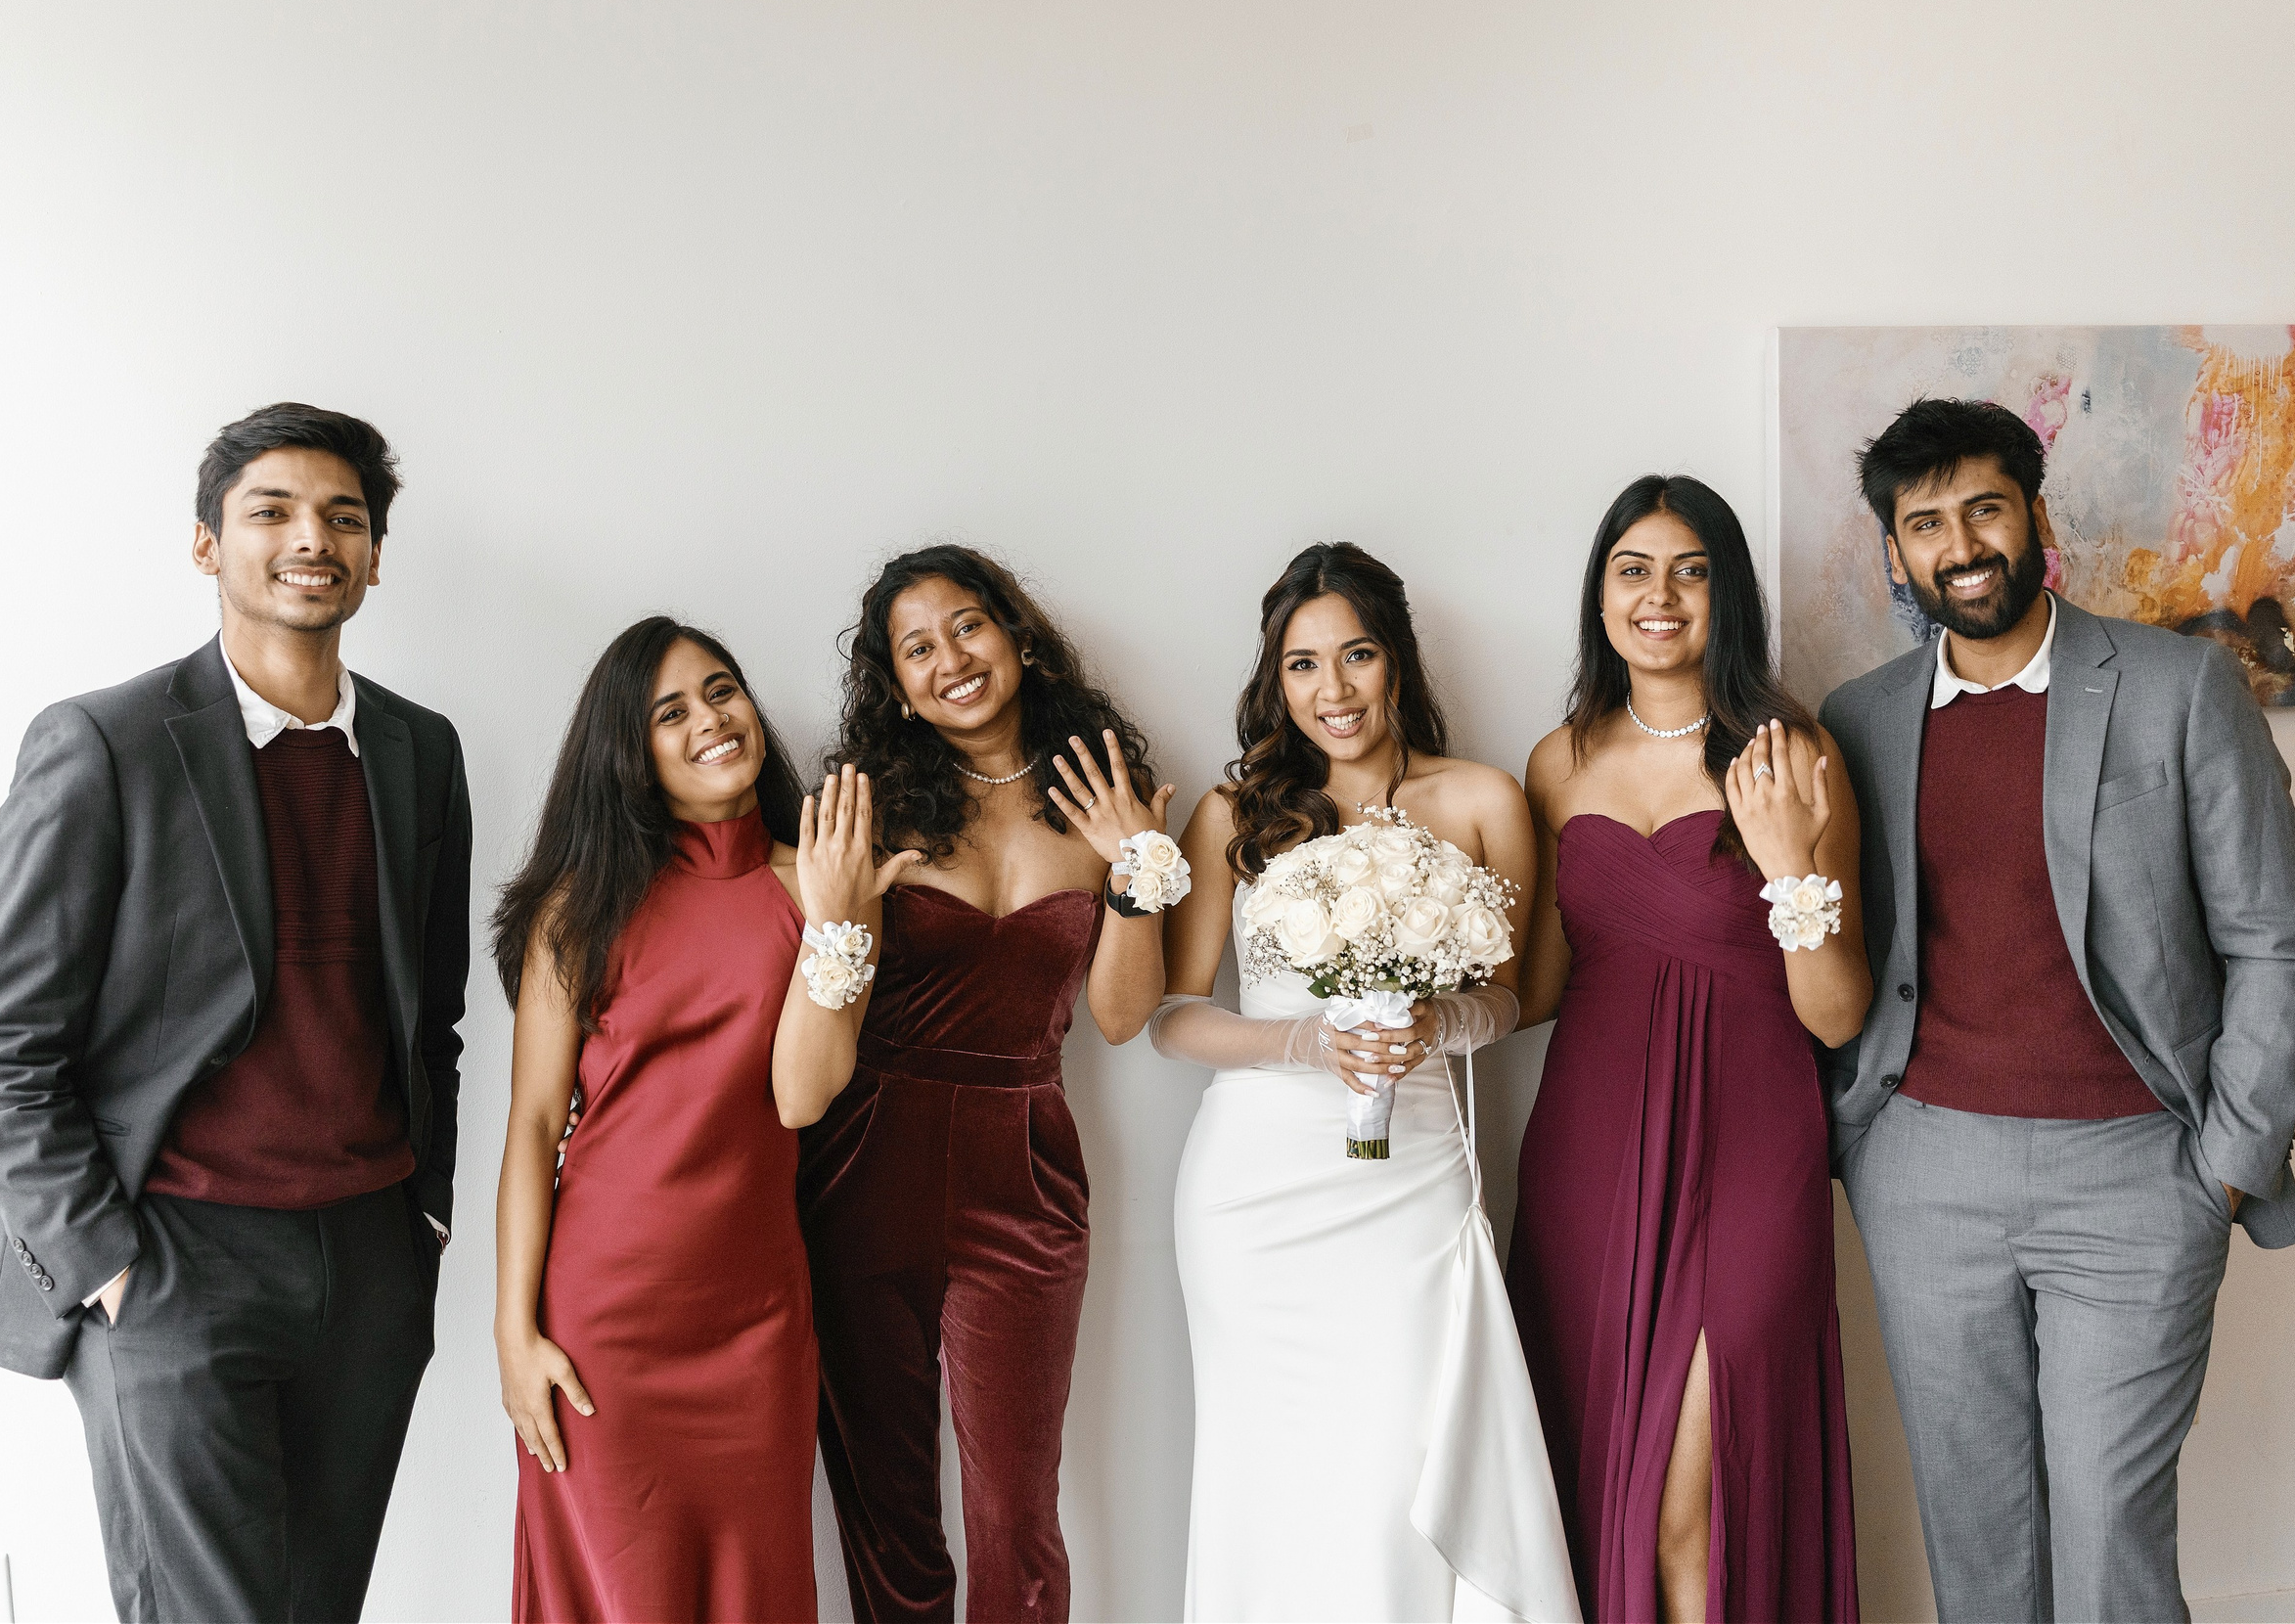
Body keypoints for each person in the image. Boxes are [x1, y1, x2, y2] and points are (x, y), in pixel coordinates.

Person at [0, 404, 471, 1620]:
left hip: (366, 1260)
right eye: (270, 511)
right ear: (206, 547)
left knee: (316, 1605)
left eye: (344, 517)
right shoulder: (106, 744)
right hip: (176, 1259)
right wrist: (110, 1266)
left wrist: (422, 1216)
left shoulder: (417, 753)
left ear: (377, 556)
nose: (310, 538)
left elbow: (428, 1016)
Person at [1822, 399, 2295, 1624]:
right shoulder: (1861, 721)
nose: (1961, 544)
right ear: (1895, 552)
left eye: (1984, 507)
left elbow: (2277, 938)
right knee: (1976, 1531)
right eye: (1925, 523)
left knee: (2107, 1530)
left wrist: (2225, 1162)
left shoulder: (2177, 685)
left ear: (2034, 516)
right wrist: (1865, 1146)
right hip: (1925, 1171)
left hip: (2136, 1174)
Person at [1149, 541, 1580, 1623]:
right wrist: (1302, 1046)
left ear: (1398, 663)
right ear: (1273, 677)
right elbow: (1168, 1021)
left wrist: (1431, 1020)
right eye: (1301, 665)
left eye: (1355, 657)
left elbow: (1515, 998)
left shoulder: (1482, 797)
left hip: (1411, 1186)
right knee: (1273, 1474)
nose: (1331, 691)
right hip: (1254, 1198)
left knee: (1402, 1462)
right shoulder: (1233, 813)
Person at [493, 618, 909, 1620]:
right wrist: (514, 1334)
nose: (710, 720)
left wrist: (840, 920)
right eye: (668, 712)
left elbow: (801, 1096)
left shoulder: (817, 885)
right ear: (627, 752)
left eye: (721, 691)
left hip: (754, 1324)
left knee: (752, 1595)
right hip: (604, 1324)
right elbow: (534, 1123)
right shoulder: (578, 906)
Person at [1505, 477, 1867, 1624]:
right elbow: (1537, 989)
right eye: (1633, 570)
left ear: (1729, 594)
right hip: (1590, 1150)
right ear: (1599, 595)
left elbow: (1836, 1014)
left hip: (1752, 1140)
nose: (1659, 596)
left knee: (1691, 1509)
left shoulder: (1794, 754)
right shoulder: (1554, 762)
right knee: (1595, 1470)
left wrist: (1788, 860)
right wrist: (1379, 945)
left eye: (1691, 569)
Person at [798, 544, 1174, 1624]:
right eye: (916, 648)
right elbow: (825, 991)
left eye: (966, 626)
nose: (949, 659)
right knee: (888, 1503)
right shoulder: (867, 809)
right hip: (865, 1160)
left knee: (1016, 1505)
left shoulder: (1102, 795)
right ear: (895, 686)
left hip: (1026, 1164)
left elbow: (1116, 1017)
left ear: (1015, 633)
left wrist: (1138, 867)